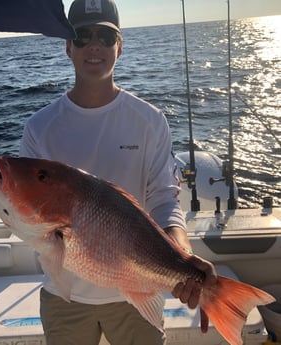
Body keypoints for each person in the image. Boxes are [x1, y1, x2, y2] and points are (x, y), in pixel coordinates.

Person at [19, 0, 217, 344]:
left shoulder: (149, 120)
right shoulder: (40, 128)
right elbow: (32, 219)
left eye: (106, 36)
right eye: (82, 36)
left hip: (136, 293)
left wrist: (182, 255)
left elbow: (163, 197)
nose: (94, 46)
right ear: (68, 46)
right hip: (64, 298)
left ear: (119, 47)